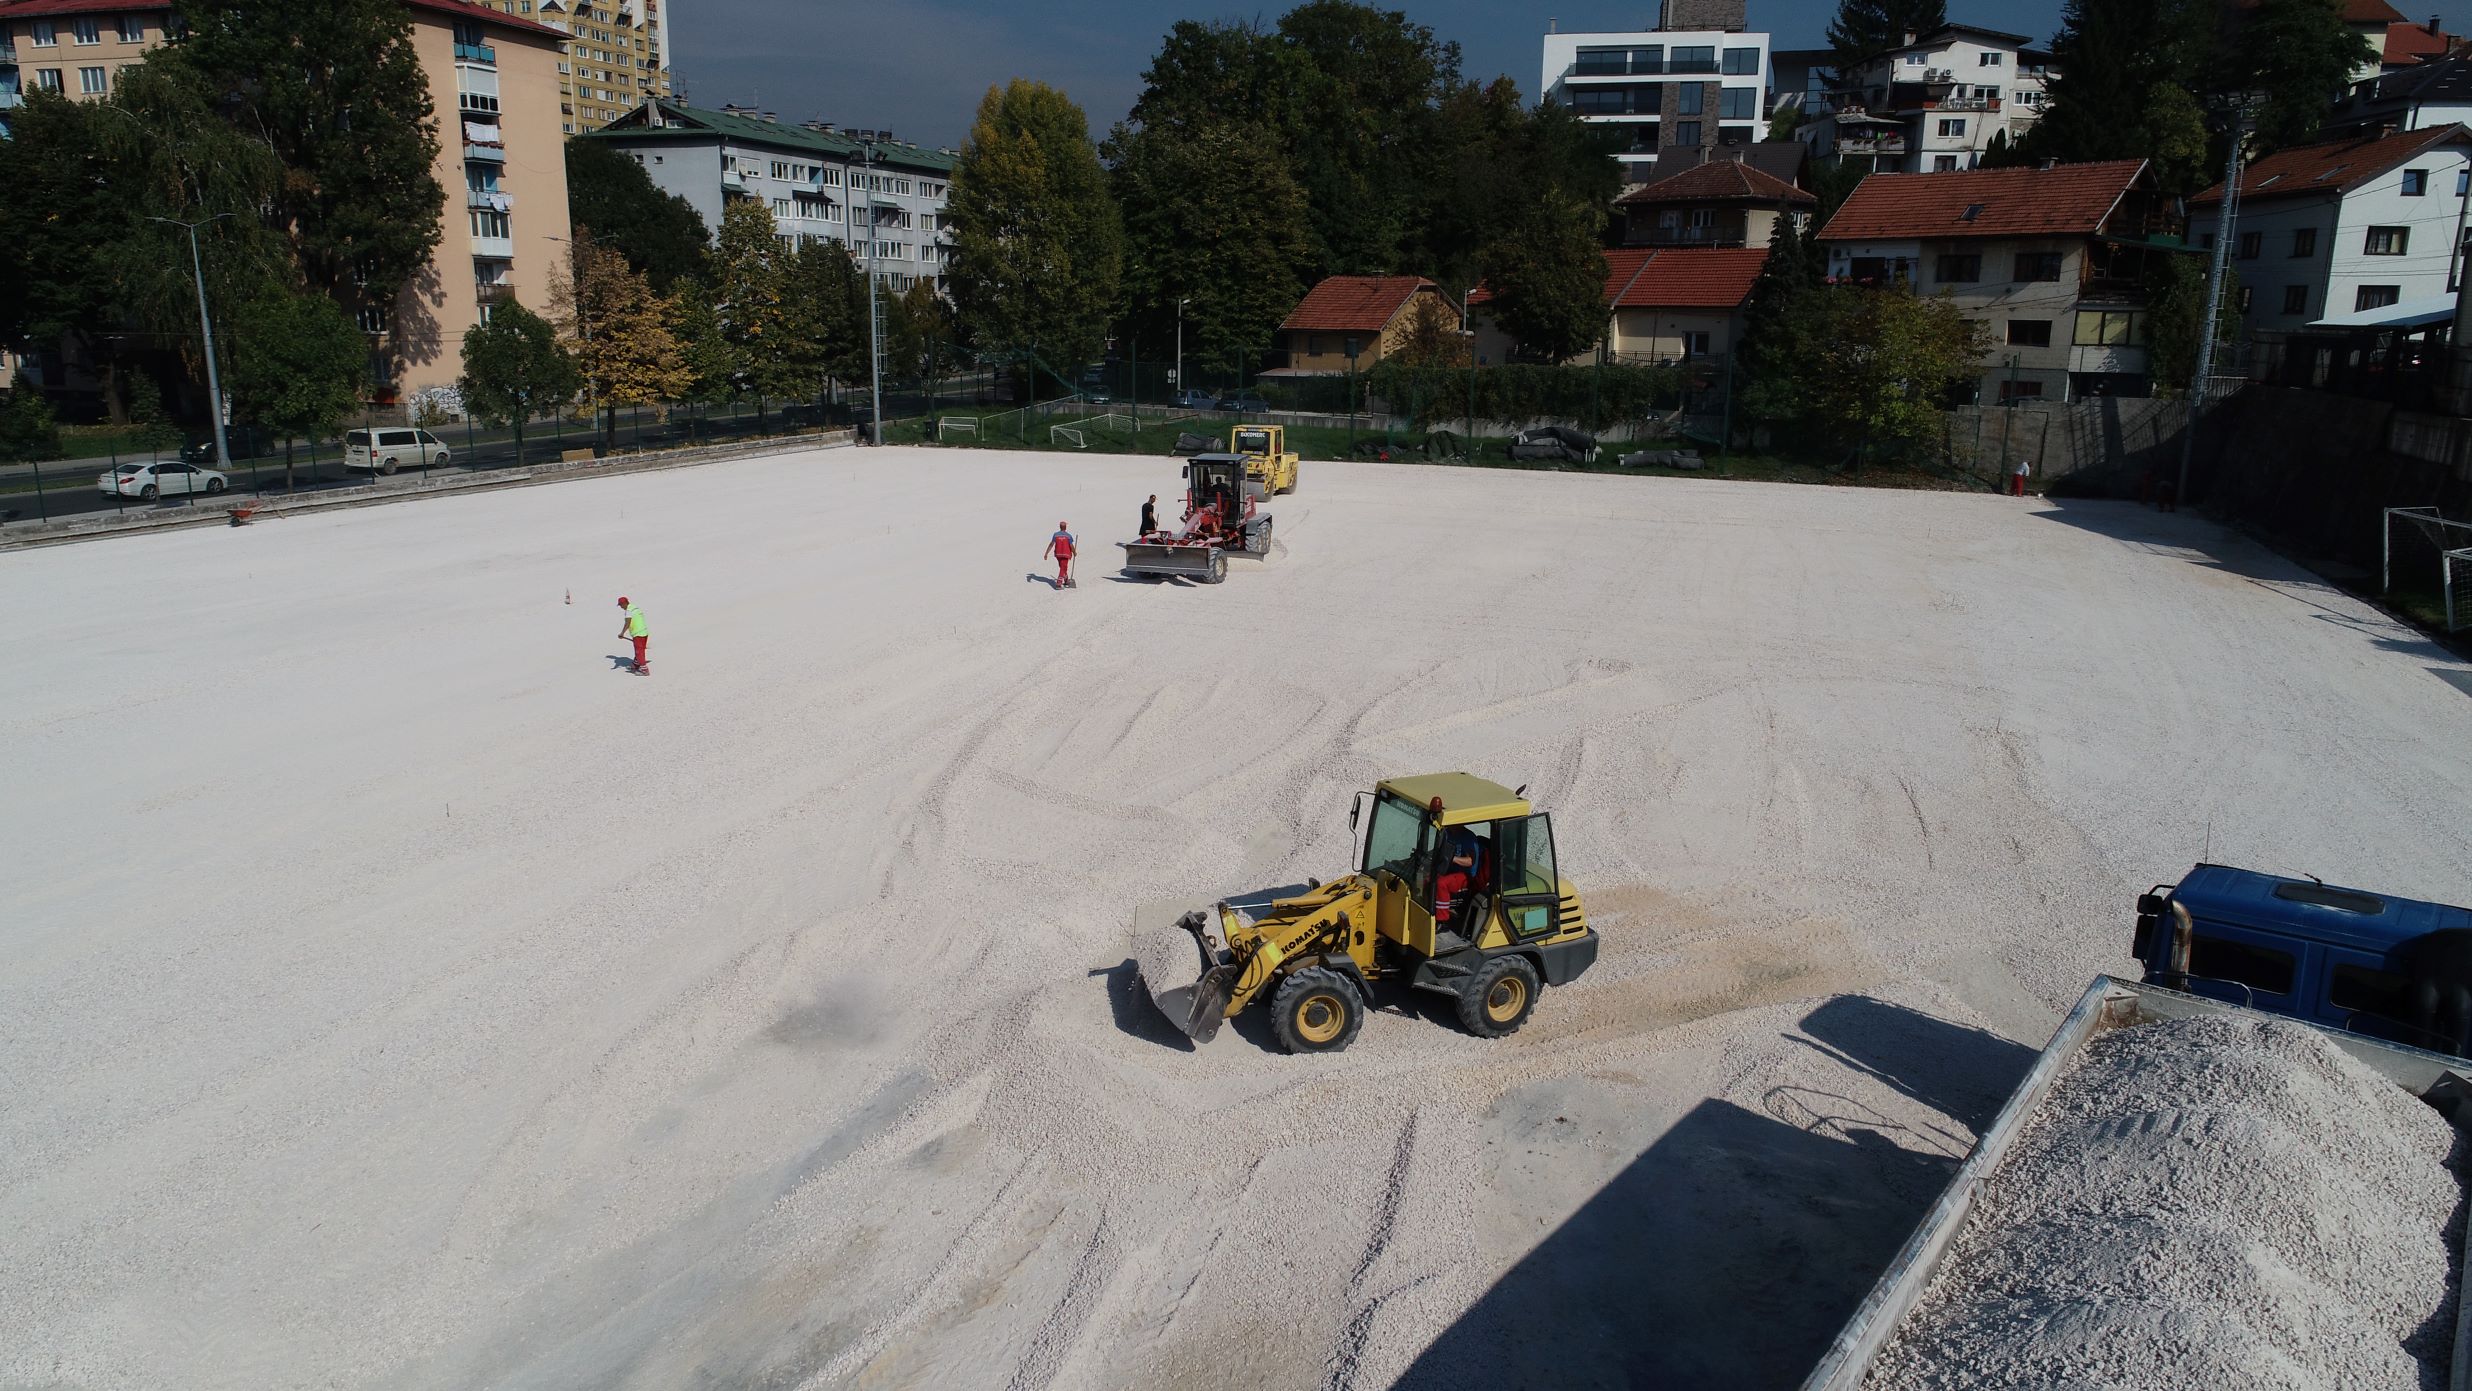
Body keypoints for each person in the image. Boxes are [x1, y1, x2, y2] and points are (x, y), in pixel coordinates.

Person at [616, 596, 649, 675]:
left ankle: (644, 670)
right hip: (644, 632)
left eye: (620, 605)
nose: (620, 607)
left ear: (624, 603)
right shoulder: (635, 607)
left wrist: (622, 633)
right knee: (640, 650)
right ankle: (635, 664)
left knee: (639, 652)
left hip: (638, 634)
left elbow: (627, 623)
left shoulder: (628, 611)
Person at [1044, 522, 1077, 589]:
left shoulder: (1055, 535)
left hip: (1058, 554)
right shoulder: (1068, 536)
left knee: (1063, 567)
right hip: (1066, 554)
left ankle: (1066, 580)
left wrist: (1046, 553)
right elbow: (1071, 546)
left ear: (1060, 527)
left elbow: (1051, 544)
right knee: (1063, 568)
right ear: (1065, 527)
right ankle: (1059, 583)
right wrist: (1074, 552)